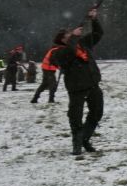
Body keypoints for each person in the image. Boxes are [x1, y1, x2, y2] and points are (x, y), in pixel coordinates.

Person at [48, 8, 105, 156]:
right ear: (62, 39)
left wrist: (94, 19)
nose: (72, 35)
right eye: (68, 35)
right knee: (75, 117)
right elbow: (69, 53)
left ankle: (84, 139)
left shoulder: (83, 44)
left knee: (97, 112)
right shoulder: (57, 51)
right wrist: (73, 37)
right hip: (76, 87)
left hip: (92, 84)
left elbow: (98, 34)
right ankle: (77, 143)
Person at [30, 37, 63, 104]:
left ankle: (35, 99)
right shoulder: (55, 50)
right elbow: (53, 60)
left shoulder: (54, 49)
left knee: (44, 84)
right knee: (52, 85)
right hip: (48, 69)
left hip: (47, 69)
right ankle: (51, 100)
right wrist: (59, 66)